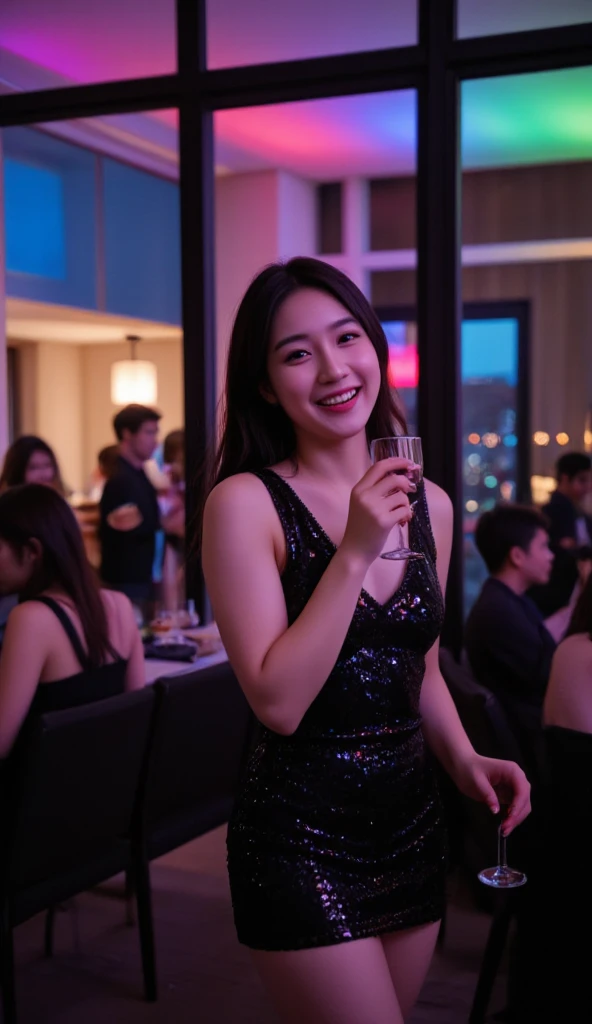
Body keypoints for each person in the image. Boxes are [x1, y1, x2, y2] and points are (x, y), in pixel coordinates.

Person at [201, 257, 530, 1024]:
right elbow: (277, 702)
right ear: (264, 383)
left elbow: (418, 666)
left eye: (347, 338)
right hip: (299, 838)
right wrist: (353, 550)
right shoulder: (244, 505)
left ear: (375, 349)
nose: (332, 368)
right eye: (296, 353)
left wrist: (464, 757)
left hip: (413, 826)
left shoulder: (434, 506)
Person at [0, 484, 145, 759]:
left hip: (38, 796)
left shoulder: (30, 619)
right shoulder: (119, 605)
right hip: (105, 790)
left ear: (32, 550)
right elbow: (136, 719)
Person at [464, 504, 562, 779]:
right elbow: (550, 678)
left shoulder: (507, 599)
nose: (551, 556)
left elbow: (542, 641)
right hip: (538, 748)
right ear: (517, 556)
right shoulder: (499, 613)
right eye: (544, 547)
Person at [99, 404, 161, 612]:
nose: (155, 440)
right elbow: (128, 530)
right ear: (127, 433)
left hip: (140, 577)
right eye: (149, 432)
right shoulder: (120, 478)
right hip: (125, 582)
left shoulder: (138, 474)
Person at [529, 451, 592, 616]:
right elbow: (562, 552)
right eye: (582, 480)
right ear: (565, 478)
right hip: (556, 598)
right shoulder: (552, 512)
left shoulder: (579, 513)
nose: (588, 487)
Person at [0, 435, 66, 495]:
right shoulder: (8, 506)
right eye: (33, 468)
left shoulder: (61, 504)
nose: (44, 474)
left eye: (47, 465)